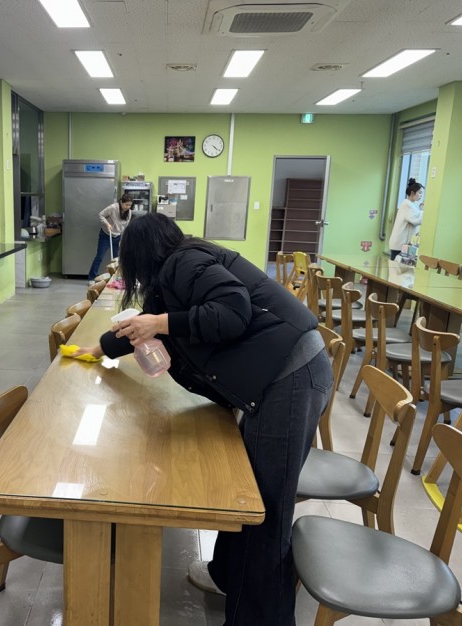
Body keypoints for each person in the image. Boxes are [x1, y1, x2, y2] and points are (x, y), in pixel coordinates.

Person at [73, 213, 332, 625]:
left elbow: (232, 311)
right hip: (278, 372)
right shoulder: (172, 274)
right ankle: (226, 574)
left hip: (291, 373)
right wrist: (99, 349)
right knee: (249, 492)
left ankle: (258, 619)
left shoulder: (186, 261)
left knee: (265, 508)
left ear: (141, 255)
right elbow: (141, 328)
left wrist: (159, 322)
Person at [87, 192, 132, 282]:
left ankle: (116, 278)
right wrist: (107, 224)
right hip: (106, 235)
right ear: (121, 202)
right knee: (99, 257)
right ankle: (91, 277)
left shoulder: (129, 213)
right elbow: (101, 214)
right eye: (126, 205)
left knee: (116, 259)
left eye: (130, 205)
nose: (128, 207)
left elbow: (125, 227)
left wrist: (122, 239)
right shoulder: (113, 207)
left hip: (117, 237)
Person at [389, 178, 424, 260]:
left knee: (398, 267)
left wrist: (422, 210)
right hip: (399, 245)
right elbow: (416, 220)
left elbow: (417, 215)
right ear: (412, 193)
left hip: (401, 244)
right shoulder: (407, 205)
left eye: (422, 193)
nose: (421, 195)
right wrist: (425, 210)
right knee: (396, 267)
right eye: (419, 193)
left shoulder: (410, 205)